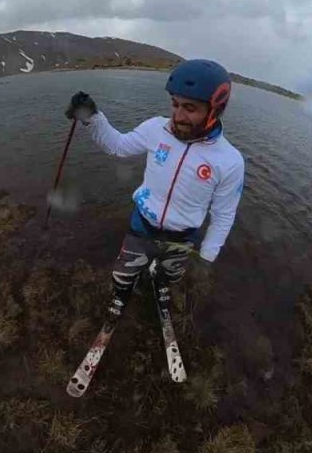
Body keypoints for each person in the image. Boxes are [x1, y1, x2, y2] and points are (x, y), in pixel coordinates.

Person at [65, 59, 245, 318]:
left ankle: (160, 281)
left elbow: (224, 214)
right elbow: (118, 145)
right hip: (141, 227)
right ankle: (122, 294)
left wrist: (208, 253)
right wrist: (92, 117)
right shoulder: (155, 129)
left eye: (190, 108)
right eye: (175, 104)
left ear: (215, 109)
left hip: (182, 239)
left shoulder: (229, 161)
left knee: (170, 274)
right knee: (122, 274)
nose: (178, 116)